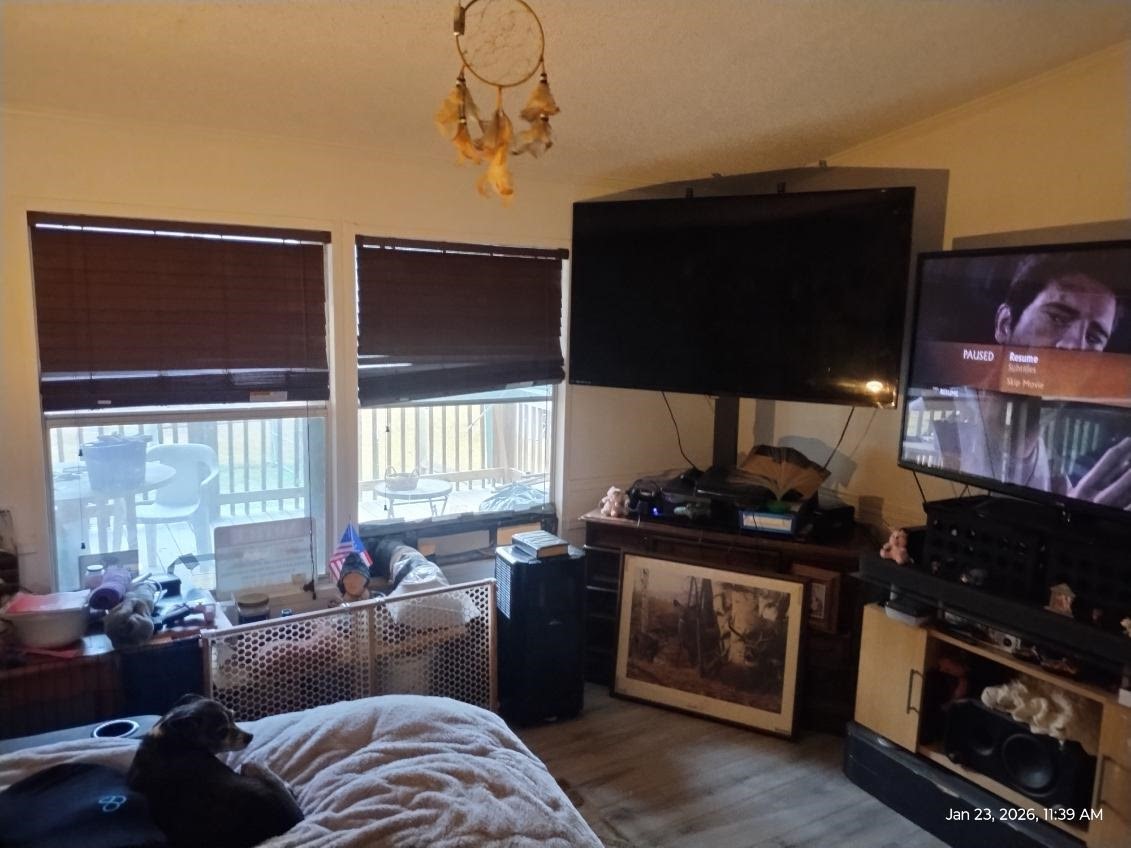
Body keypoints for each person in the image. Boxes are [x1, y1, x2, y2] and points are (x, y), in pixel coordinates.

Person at [923, 252, 1131, 509]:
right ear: (1005, 324)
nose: (1072, 347)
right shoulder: (928, 425)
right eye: (1057, 317)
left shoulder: (1058, 479)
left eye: (1094, 338)